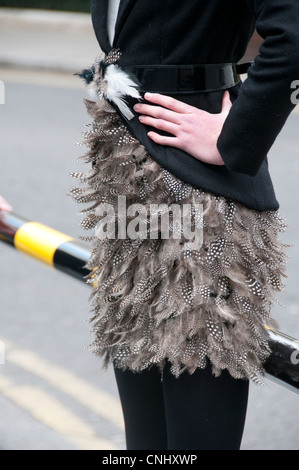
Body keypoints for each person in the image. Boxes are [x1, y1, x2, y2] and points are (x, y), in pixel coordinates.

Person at [70, 0, 299, 450]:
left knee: (197, 414)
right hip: (126, 179)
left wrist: (236, 134)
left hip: (199, 192)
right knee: (146, 431)